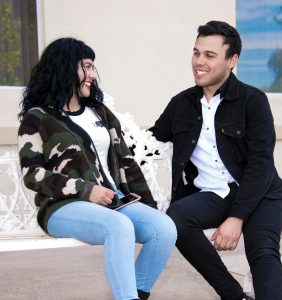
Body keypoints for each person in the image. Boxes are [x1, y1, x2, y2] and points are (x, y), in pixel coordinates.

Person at [18, 37, 177, 300]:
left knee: (164, 228)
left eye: (93, 67)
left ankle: (133, 293)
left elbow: (126, 161)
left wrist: (147, 208)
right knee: (119, 226)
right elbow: (32, 174)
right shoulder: (37, 118)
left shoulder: (99, 112)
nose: (92, 75)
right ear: (65, 68)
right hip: (62, 206)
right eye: (86, 66)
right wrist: (86, 190)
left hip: (113, 201)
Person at [149, 21, 282, 300]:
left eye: (209, 55)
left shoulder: (253, 100)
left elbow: (260, 164)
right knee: (176, 218)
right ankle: (233, 295)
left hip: (260, 193)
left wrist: (236, 218)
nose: (198, 62)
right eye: (196, 53)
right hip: (214, 194)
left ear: (231, 61)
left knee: (262, 249)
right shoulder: (181, 103)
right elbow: (150, 141)